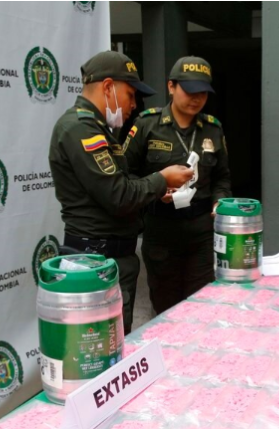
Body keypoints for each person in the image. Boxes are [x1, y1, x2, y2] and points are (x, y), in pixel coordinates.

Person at [49, 50, 194, 335]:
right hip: (96, 261)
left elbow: (119, 188)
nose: (133, 105)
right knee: (103, 355)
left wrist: (156, 191)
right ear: (107, 87)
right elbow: (118, 196)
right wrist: (161, 180)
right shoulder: (81, 129)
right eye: (130, 94)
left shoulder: (100, 130)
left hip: (109, 258)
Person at [126, 56, 232, 315]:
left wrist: (220, 201)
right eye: (190, 90)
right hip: (161, 230)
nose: (197, 98)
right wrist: (156, 189)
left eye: (203, 93)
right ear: (171, 86)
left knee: (202, 305)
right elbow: (125, 177)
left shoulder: (213, 129)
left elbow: (222, 178)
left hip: (202, 232)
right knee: (166, 307)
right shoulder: (146, 125)